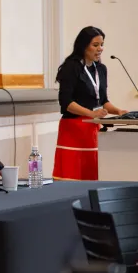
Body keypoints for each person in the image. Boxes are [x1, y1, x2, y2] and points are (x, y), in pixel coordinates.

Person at [53, 26, 127, 181]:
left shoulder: (101, 69)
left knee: (90, 175)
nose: (100, 49)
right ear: (83, 45)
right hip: (73, 129)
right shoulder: (71, 67)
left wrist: (119, 112)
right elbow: (66, 102)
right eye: (95, 45)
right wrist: (91, 113)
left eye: (102, 44)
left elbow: (103, 101)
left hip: (92, 128)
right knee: (71, 177)